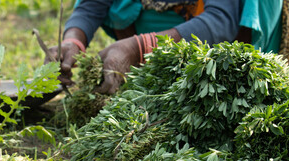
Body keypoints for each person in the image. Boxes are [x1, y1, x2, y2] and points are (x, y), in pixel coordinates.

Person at [46, 0, 281, 95]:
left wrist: (138, 48)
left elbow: (222, 20)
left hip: (221, 48)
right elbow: (92, 5)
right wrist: (73, 40)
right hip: (157, 42)